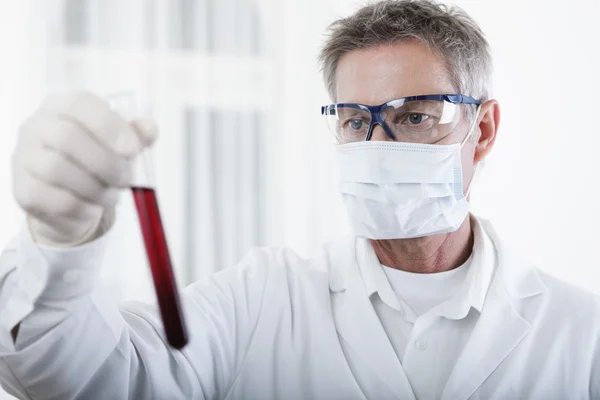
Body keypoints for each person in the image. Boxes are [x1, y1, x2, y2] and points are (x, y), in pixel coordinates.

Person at [0, 0, 599, 398]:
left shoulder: (582, 334)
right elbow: (94, 379)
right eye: (352, 120)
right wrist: (62, 243)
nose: (376, 144)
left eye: (415, 116)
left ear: (484, 130)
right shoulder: (262, 298)